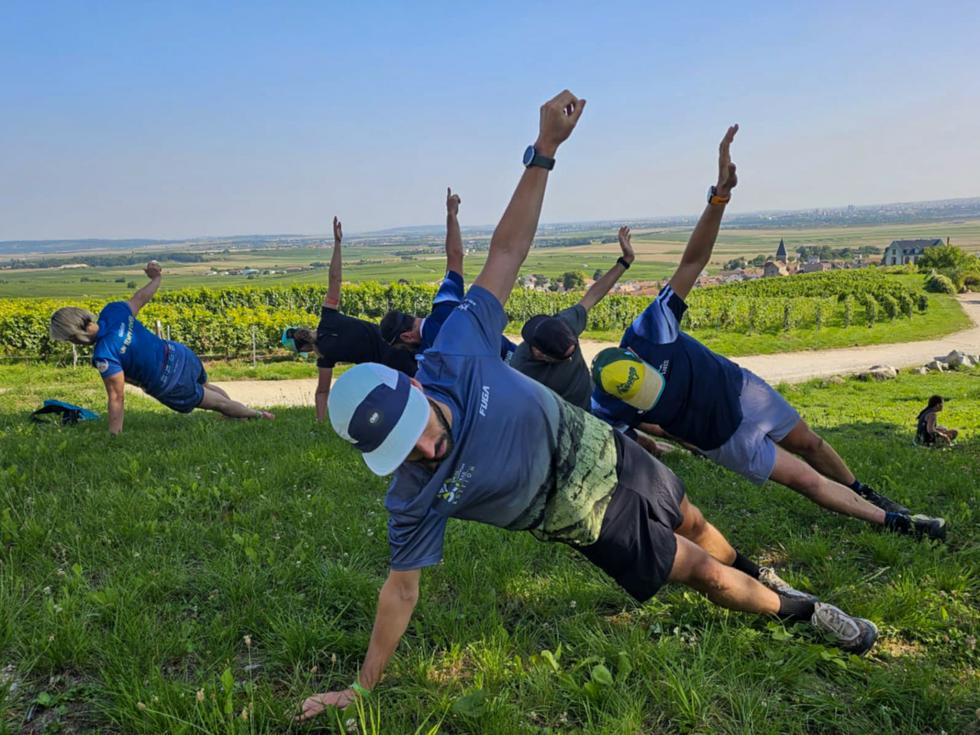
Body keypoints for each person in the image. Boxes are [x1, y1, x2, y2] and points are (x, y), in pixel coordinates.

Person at [297, 94, 877, 722]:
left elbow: (505, 254)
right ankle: (806, 612)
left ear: (413, 387)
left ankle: (765, 577)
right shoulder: (412, 496)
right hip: (590, 519)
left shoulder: (457, 352)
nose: (426, 452)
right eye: (403, 454)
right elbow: (401, 590)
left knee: (694, 520)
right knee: (702, 573)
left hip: (610, 452)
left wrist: (543, 151)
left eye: (420, 432)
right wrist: (361, 687)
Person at [589, 126, 945, 541]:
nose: (656, 392)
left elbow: (693, 261)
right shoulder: (607, 407)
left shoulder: (651, 329)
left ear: (637, 357)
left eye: (653, 382)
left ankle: (863, 492)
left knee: (809, 442)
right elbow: (626, 451)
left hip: (742, 392)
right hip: (723, 439)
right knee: (805, 481)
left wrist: (718, 197)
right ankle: (901, 524)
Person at [49, 261, 274, 434]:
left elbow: (116, 397)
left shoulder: (103, 355)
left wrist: (114, 436)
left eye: (69, 339)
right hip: (180, 354)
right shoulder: (113, 311)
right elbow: (142, 297)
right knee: (207, 387)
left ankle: (258, 416)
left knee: (218, 403)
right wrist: (156, 277)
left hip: (170, 381)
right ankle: (236, 416)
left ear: (74, 335)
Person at [282, 216, 419, 422]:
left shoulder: (324, 358)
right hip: (399, 340)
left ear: (303, 349)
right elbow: (335, 279)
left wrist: (320, 424)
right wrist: (337, 244)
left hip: (388, 366)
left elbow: (322, 392)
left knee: (420, 393)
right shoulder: (328, 317)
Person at [379, 188, 517, 362]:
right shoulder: (445, 304)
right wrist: (451, 214)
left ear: (407, 337)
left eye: (401, 347)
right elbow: (455, 255)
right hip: (518, 356)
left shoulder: (428, 355)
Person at [509, 224, 635, 410]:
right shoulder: (521, 369)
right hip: (571, 420)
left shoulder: (563, 327)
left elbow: (593, 294)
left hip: (594, 399)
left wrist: (625, 261)